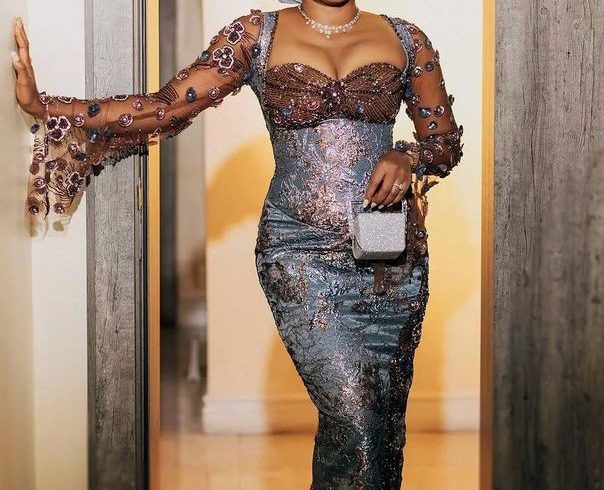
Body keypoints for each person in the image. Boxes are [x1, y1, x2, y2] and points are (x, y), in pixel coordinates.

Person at [13, 0, 463, 488]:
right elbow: (166, 106)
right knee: (355, 415)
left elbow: (444, 144)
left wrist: (407, 156)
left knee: (379, 423)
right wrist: (47, 107)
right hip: (299, 255)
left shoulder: (405, 38)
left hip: (390, 261)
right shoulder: (256, 35)